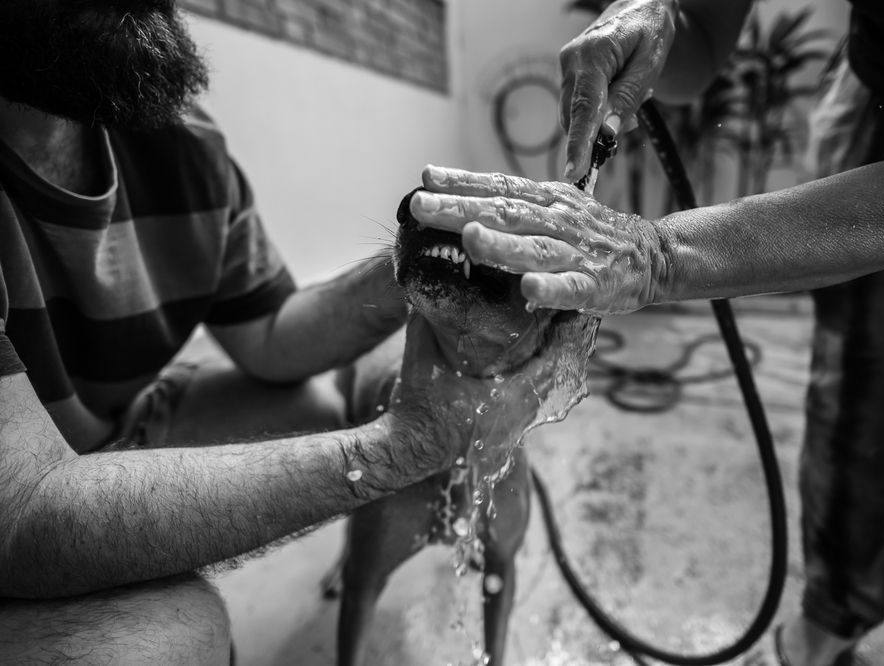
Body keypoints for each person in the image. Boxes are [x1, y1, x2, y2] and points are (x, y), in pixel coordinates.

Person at [408, 0, 884, 664]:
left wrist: (662, 255)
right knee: (862, 389)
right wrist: (662, 18)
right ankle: (834, 616)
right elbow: (701, 42)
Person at [0, 1, 555, 663]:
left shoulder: (174, 138)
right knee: (175, 633)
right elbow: (18, 513)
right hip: (18, 490)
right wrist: (402, 448)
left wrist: (414, 264)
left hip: (108, 423)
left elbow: (270, 333)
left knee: (312, 411)